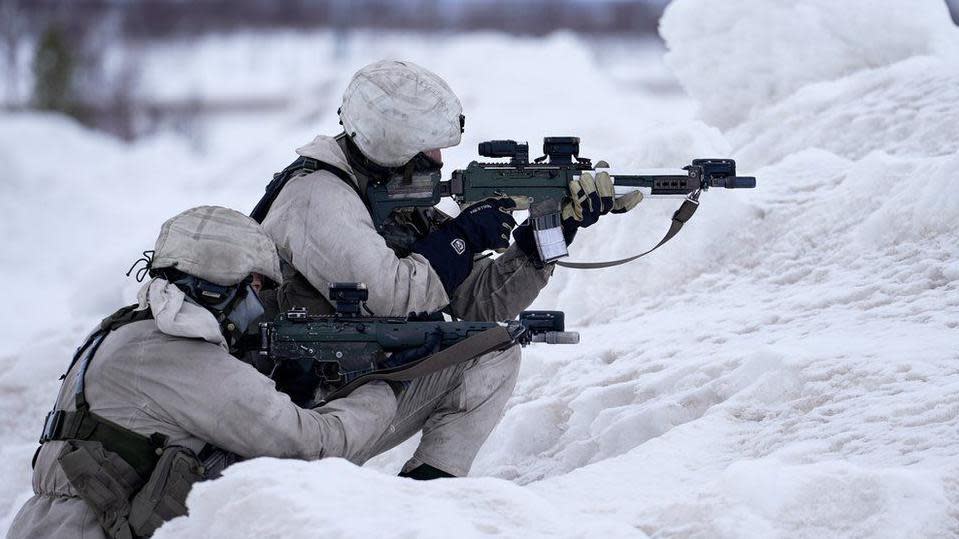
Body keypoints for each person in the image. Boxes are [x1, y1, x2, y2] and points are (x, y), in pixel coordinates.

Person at [255, 60, 642, 479]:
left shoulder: (386, 195)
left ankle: (428, 496)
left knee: (493, 350)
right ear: (393, 146)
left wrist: (545, 238)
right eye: (429, 149)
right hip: (298, 412)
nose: (440, 160)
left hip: (353, 382)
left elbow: (479, 304)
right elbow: (394, 295)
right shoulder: (317, 198)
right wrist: (462, 237)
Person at [7, 206, 399, 539]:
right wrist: (383, 388)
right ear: (220, 287)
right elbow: (309, 444)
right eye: (255, 286)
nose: (258, 303)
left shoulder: (124, 330)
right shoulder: (181, 355)